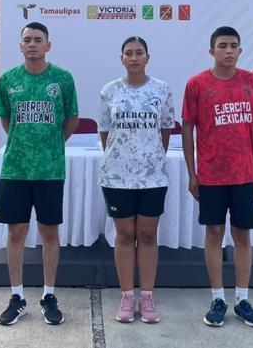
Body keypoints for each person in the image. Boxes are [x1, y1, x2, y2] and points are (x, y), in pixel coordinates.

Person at [181, 26, 253, 328]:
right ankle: (217, 298)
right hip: (212, 175)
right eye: (222, 46)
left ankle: (242, 299)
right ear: (212, 51)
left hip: (244, 174)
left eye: (233, 46)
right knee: (214, 235)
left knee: (242, 236)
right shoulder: (197, 85)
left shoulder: (252, 82)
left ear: (240, 51)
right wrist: (192, 173)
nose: (228, 51)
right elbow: (187, 129)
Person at [0, 22, 79, 326]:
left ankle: (49, 295)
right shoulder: (8, 80)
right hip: (16, 168)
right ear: (20, 46)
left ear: (48, 46)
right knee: (15, 232)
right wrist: (26, 142)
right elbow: (6, 120)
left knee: (48, 232)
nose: (32, 44)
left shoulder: (62, 79)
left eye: (38, 40)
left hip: (50, 169)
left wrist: (50, 145)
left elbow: (71, 119)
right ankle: (17, 296)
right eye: (27, 40)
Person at [97, 36, 174, 324]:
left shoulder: (162, 90)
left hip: (152, 176)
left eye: (138, 53)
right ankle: (128, 297)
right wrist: (123, 159)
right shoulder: (110, 91)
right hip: (117, 176)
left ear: (147, 57)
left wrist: (148, 158)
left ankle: (148, 297)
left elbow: (165, 130)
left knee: (148, 235)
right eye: (128, 53)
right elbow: (105, 133)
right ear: (121, 58)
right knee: (125, 235)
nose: (133, 57)